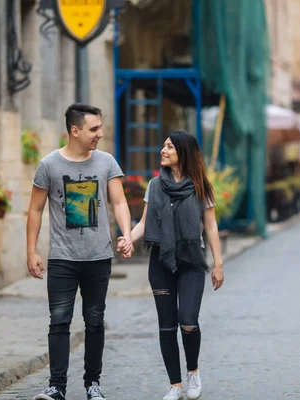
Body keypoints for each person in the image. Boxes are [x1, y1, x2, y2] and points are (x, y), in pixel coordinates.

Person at [27, 103, 134, 400]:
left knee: (95, 320)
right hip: (62, 258)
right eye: (94, 129)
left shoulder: (106, 162)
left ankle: (92, 384)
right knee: (59, 320)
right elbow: (35, 209)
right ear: (75, 131)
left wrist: (126, 234)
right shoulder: (49, 165)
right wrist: (31, 252)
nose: (100, 133)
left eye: (100, 127)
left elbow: (120, 203)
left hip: (98, 257)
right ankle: (56, 387)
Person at [118, 131, 224, 400]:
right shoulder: (155, 186)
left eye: (169, 147)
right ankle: (175, 385)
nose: (163, 150)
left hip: (191, 260)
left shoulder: (201, 187)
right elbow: (143, 223)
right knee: (166, 325)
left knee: (188, 321)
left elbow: (210, 226)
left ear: (183, 153)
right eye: (163, 146)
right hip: (161, 261)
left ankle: (193, 371)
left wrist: (218, 264)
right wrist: (128, 239)